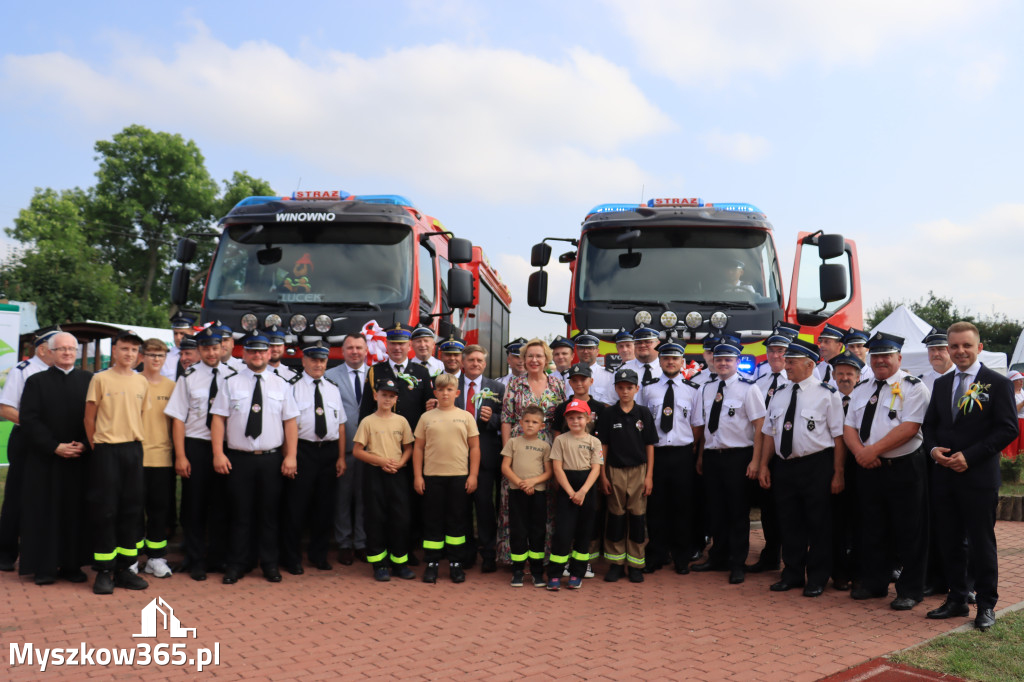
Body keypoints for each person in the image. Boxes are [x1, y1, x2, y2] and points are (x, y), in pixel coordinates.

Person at [922, 321, 1018, 631]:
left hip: (977, 479)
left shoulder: (997, 383)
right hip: (944, 477)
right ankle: (956, 598)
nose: (960, 351)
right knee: (949, 541)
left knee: (981, 543)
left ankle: (986, 604)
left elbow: (1007, 428)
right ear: (948, 349)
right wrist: (934, 449)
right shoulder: (940, 384)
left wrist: (971, 456)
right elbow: (931, 425)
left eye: (966, 345)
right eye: (954, 346)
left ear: (979, 348)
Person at [843, 332, 930, 610]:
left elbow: (910, 427)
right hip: (868, 468)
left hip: (903, 467)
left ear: (899, 358)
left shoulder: (914, 387)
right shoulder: (862, 387)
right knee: (871, 527)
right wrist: (860, 453)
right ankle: (874, 583)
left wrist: (872, 450)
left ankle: (910, 590)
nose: (880, 360)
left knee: (909, 531)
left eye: (886, 355)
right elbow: (849, 427)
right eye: (876, 355)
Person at [211, 331, 300, 585]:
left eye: (262, 351)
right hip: (239, 459)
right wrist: (218, 453)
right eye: (252, 351)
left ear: (270, 353)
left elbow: (290, 422)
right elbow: (218, 419)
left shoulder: (282, 384)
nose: (258, 355)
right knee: (240, 514)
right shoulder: (230, 383)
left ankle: (270, 564)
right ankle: (238, 564)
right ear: (244, 354)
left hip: (271, 460)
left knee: (270, 515)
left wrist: (290, 456)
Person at [758, 338, 845, 597]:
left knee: (818, 523)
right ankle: (792, 573)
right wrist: (764, 465)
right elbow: (769, 433)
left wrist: (838, 473)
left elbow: (839, 437)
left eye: (792, 362)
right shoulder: (779, 393)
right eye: (786, 361)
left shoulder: (828, 395)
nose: (786, 366)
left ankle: (817, 577)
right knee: (789, 521)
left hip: (816, 464)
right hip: (785, 466)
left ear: (810, 364)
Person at [17, 332, 91, 584]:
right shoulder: (36, 382)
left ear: (77, 352)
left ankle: (72, 565)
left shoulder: (89, 380)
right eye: (62, 349)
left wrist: (83, 443)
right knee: (43, 512)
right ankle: (44, 568)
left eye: (72, 348)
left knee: (75, 512)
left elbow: (95, 417)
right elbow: (29, 419)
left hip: (79, 459)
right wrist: (54, 446)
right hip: (46, 459)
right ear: (49, 352)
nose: (68, 353)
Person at [693, 335, 765, 585]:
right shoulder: (706, 388)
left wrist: (755, 462)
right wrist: (702, 456)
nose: (722, 363)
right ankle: (718, 557)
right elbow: (704, 428)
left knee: (737, 512)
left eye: (728, 360)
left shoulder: (749, 388)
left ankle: (737, 563)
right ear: (712, 360)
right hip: (713, 456)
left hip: (739, 457)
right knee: (715, 511)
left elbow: (759, 427)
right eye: (719, 359)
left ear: (737, 361)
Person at [84, 329, 150, 595]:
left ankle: (125, 568)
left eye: (134, 350)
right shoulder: (100, 379)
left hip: (133, 450)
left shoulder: (141, 382)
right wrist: (97, 447)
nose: (129, 354)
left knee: (131, 510)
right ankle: (104, 570)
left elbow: (141, 416)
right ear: (114, 350)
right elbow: (89, 418)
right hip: (106, 450)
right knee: (106, 509)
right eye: (125, 349)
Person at [281, 340, 346, 575]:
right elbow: (287, 425)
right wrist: (290, 456)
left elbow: (340, 425)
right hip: (303, 451)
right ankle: (292, 558)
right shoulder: (292, 386)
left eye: (322, 360)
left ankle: (319, 556)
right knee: (296, 508)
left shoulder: (332, 387)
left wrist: (340, 457)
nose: (318, 364)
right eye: (314, 359)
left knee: (324, 507)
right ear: (304, 361)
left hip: (328, 452)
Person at [639, 341, 701, 575]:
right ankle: (656, 554)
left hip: (682, 454)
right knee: (656, 506)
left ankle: (681, 556)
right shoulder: (648, 389)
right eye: (666, 358)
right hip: (656, 454)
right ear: (660, 361)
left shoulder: (692, 389)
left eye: (675, 358)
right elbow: (642, 422)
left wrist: (688, 447)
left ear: (682, 362)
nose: (670, 362)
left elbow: (696, 425)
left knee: (682, 507)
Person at [412, 373, 480, 583]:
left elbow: (475, 447)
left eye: (449, 390)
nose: (445, 393)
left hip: (459, 477)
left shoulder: (466, 416)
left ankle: (455, 563)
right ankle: (432, 563)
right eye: (440, 390)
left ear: (457, 393)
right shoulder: (426, 417)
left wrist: (473, 475)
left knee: (457, 522)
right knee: (432, 521)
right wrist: (417, 476)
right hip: (432, 477)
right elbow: (418, 448)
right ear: (435, 393)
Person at [0, 327, 57, 572]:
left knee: (49, 496)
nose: (63, 351)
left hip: (55, 441)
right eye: (57, 347)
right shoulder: (23, 371)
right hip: (27, 440)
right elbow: (6, 408)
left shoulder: (62, 373)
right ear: (43, 349)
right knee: (17, 496)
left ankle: (44, 553)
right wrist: (36, 427)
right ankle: (5, 553)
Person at [354, 377, 416, 581]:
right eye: (383, 395)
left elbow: (408, 448)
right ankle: (379, 564)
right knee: (375, 518)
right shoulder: (368, 421)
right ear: (375, 396)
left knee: (401, 518)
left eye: (391, 396)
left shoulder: (402, 421)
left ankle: (399, 562)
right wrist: (380, 461)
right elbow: (358, 451)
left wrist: (400, 463)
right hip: (375, 475)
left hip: (397, 474)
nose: (387, 399)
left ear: (396, 399)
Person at [598, 367, 657, 583]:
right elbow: (602, 445)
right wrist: (603, 475)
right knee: (615, 515)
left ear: (636, 388)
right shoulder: (608, 414)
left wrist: (649, 476)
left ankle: (635, 564)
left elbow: (650, 445)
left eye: (629, 388)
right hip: (614, 470)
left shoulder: (643, 413)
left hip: (639, 471)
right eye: (621, 387)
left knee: (638, 516)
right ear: (615, 388)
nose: (625, 391)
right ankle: (615, 563)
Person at [455, 343, 505, 572]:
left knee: (484, 506)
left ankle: (488, 552)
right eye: (471, 360)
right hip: (455, 456)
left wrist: (492, 418)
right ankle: (465, 553)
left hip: (485, 457)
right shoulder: (449, 386)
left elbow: (505, 420)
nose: (475, 364)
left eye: (479, 361)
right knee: (461, 508)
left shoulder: (497, 388)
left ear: (485, 364)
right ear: (462, 362)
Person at [546, 399, 603, 591]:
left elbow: (596, 469)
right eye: (571, 418)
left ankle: (577, 573)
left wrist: (583, 491)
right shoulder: (561, 440)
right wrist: (571, 492)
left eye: (579, 417)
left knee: (583, 533)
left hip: (586, 489)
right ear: (566, 420)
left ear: (587, 419)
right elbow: (557, 468)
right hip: (567, 489)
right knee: (563, 533)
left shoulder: (594, 442)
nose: (575, 421)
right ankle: (555, 574)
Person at [747, 328, 792, 574]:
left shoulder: (795, 381)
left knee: (788, 507)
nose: (776, 355)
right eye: (772, 350)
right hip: (765, 451)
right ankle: (771, 554)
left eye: (781, 351)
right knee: (767, 507)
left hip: (787, 454)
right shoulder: (759, 383)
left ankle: (793, 558)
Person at [324, 333, 369, 565]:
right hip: (344, 448)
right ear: (343, 351)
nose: (354, 352)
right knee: (342, 497)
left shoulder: (376, 375)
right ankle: (343, 542)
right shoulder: (329, 376)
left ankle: (361, 542)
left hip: (371, 450)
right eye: (350, 348)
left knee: (364, 498)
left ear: (366, 350)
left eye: (359, 347)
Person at [138, 338, 177, 579]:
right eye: (151, 354)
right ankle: (130, 559)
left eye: (160, 355)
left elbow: (176, 424)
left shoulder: (172, 387)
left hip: (163, 459)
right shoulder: (132, 382)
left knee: (159, 511)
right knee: (132, 511)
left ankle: (156, 558)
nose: (155, 359)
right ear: (142, 356)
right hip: (135, 458)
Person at [500, 404, 552, 587]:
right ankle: (518, 570)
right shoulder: (513, 443)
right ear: (520, 423)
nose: (530, 425)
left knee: (537, 531)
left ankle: (537, 572)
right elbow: (505, 467)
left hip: (537, 493)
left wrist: (532, 482)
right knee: (518, 531)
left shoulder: (545, 446)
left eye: (535, 422)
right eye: (527, 421)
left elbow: (548, 473)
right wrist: (521, 483)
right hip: (517, 493)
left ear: (542, 426)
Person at [829, 350, 867, 591]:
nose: (845, 378)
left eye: (849, 374)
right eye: (840, 373)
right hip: (832, 466)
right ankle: (839, 572)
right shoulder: (826, 398)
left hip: (861, 464)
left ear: (858, 376)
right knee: (835, 521)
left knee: (861, 520)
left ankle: (860, 571)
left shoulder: (865, 399)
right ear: (833, 375)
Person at [569, 330, 613, 403]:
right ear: (576, 350)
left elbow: (611, 402)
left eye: (590, 348)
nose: (585, 351)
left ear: (597, 351)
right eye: (582, 348)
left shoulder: (608, 376)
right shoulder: (568, 375)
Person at [162, 314, 193, 379]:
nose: (178, 337)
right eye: (175, 333)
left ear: (192, 332)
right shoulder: (165, 356)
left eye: (182, 333)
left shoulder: (198, 356)